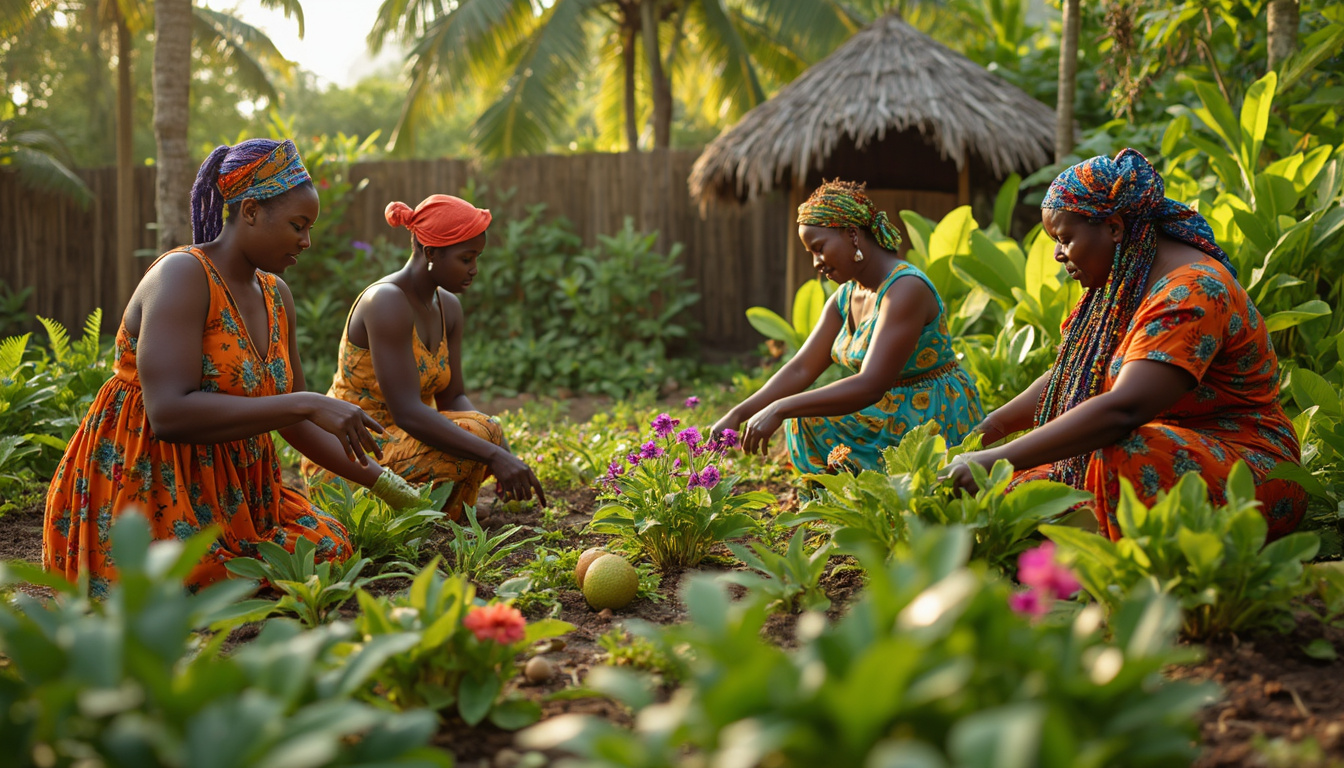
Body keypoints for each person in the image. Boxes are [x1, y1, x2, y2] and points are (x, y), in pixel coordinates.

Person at [44, 138, 419, 596]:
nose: (306, 241)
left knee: (326, 548)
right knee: (206, 579)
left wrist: (390, 485)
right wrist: (303, 403)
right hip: (153, 482)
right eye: (297, 225)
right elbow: (168, 414)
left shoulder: (277, 295)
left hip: (239, 493)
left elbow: (299, 427)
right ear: (250, 212)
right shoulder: (183, 276)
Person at [946, 149, 1306, 541]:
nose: (1057, 253)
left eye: (1065, 238)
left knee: (1118, 452)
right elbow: (1072, 374)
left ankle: (1130, 581)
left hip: (1244, 470)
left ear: (1115, 227)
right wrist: (987, 431)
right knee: (1012, 493)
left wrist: (991, 458)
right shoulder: (1123, 284)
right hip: (1156, 447)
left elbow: (1124, 410)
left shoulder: (1192, 291)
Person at [711, 180, 985, 472]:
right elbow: (801, 368)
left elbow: (870, 385)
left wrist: (781, 407)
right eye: (810, 253)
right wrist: (737, 414)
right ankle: (842, 502)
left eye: (819, 248)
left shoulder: (905, 289)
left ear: (852, 235)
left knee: (799, 412)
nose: (816, 262)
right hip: (884, 412)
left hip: (931, 415)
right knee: (807, 418)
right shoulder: (846, 297)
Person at [300, 194, 545, 518]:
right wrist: (492, 453)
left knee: (487, 430)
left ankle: (438, 511)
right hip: (354, 457)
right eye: (466, 258)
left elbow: (453, 397)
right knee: (481, 438)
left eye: (477, 258)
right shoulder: (386, 302)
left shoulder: (448, 307)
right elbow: (407, 413)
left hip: (405, 444)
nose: (474, 270)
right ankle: (429, 512)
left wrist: (500, 444)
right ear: (430, 253)